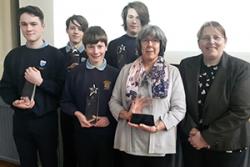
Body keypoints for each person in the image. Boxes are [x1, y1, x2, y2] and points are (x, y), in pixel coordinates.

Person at [109, 25, 186, 167]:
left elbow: (179, 109)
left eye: (155, 40)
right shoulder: (126, 70)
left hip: (159, 140)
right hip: (129, 139)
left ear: (161, 45)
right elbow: (114, 101)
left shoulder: (172, 72)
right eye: (145, 40)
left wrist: (159, 126)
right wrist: (127, 115)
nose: (150, 44)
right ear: (139, 45)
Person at [0, 5, 65, 167]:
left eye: (33, 24)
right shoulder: (13, 56)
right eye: (24, 24)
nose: (28, 28)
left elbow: (62, 91)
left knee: (50, 161)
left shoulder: (56, 56)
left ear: (43, 26)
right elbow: (5, 87)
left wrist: (41, 82)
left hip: (46, 121)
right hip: (21, 122)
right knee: (26, 162)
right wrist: (14, 101)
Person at [178, 21, 250, 167]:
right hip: (192, 144)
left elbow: (241, 111)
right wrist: (192, 130)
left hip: (228, 147)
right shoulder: (186, 65)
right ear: (199, 43)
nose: (211, 41)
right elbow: (178, 102)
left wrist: (206, 138)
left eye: (216, 37)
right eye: (206, 38)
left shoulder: (242, 69)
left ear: (225, 41)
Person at [60, 26, 119, 167]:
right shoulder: (74, 73)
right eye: (91, 47)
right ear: (85, 48)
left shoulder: (115, 74)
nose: (96, 51)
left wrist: (109, 118)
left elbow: (121, 103)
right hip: (82, 133)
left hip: (108, 134)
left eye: (100, 46)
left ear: (106, 47)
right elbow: (65, 101)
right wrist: (78, 114)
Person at [60, 14, 88, 167]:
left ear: (85, 32)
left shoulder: (92, 53)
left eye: (80, 29)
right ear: (67, 30)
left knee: (86, 152)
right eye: (72, 28)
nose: (76, 32)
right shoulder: (58, 54)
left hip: (87, 109)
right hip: (67, 110)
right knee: (69, 150)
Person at [105, 1, 150, 70]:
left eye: (138, 17)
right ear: (125, 19)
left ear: (144, 19)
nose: (134, 21)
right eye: (130, 17)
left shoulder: (151, 45)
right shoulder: (113, 44)